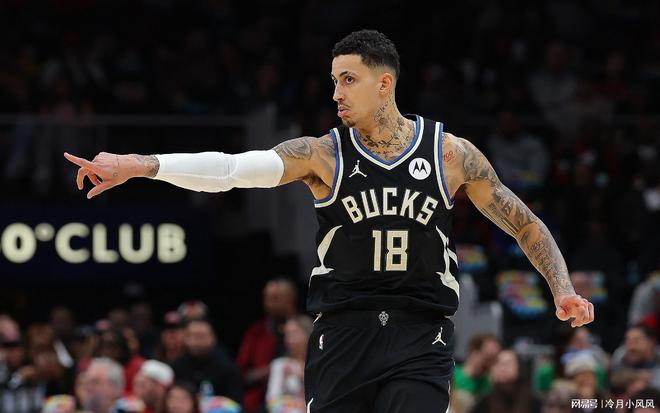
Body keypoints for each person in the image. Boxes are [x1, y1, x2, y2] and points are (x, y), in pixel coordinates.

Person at [64, 29, 594, 412]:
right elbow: (230, 171)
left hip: (421, 332)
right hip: (342, 332)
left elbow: (524, 223)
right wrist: (143, 165)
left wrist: (562, 288)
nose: (336, 93)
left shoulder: (450, 154)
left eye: (348, 79)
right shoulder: (324, 154)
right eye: (334, 80)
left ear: (384, 84)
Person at [237, 278, 299, 413]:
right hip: (260, 404)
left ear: (291, 299)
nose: (269, 304)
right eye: (266, 298)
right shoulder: (255, 332)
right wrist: (269, 371)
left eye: (276, 298)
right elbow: (240, 375)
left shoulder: (306, 329)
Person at [170, 319, 242, 404]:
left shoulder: (226, 367)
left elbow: (235, 403)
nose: (196, 341)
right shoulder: (177, 366)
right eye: (191, 335)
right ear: (185, 338)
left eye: (201, 336)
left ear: (212, 338)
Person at [266, 315, 313, 413]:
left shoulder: (317, 365)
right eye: (287, 335)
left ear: (308, 334)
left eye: (295, 333)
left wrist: (302, 376)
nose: (289, 339)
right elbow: (271, 400)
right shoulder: (280, 364)